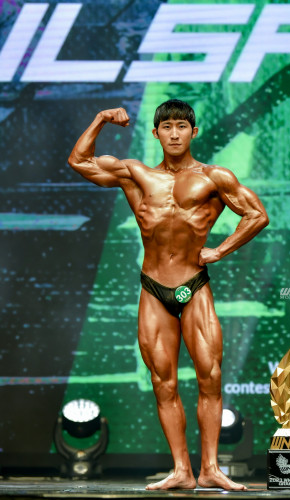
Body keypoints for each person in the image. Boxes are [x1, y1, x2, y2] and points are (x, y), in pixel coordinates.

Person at [68, 99, 269, 490]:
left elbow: (256, 214)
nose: (174, 134)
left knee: (210, 378)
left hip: (194, 286)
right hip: (153, 288)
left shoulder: (214, 177)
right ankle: (181, 470)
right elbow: (80, 161)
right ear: (156, 133)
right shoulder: (135, 174)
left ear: (194, 132)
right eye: (167, 127)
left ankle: (210, 468)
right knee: (164, 383)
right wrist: (101, 119)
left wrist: (220, 250)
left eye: (181, 126)